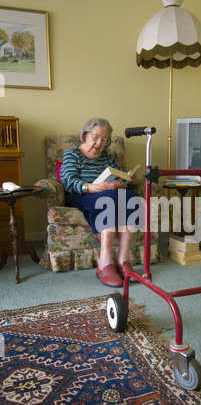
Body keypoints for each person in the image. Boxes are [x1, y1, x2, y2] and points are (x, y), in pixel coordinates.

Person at [60, 117, 142, 287]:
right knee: (109, 197)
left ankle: (123, 259)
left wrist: (127, 178)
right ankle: (104, 263)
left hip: (106, 193)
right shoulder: (72, 155)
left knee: (132, 196)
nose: (99, 143)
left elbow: (118, 176)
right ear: (85, 135)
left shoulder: (107, 156)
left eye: (104, 140)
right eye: (96, 137)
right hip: (82, 195)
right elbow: (69, 183)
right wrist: (99, 186)